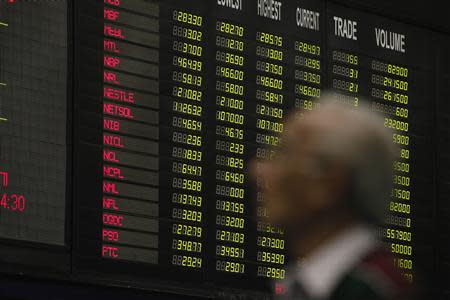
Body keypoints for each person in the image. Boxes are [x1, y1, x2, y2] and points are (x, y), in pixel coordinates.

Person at [252, 96, 413, 300]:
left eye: (283, 154)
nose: (258, 170)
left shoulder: (376, 290)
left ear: (328, 185)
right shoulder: (301, 289)